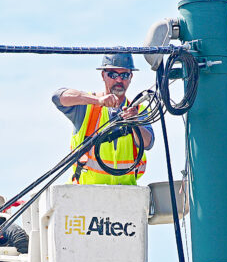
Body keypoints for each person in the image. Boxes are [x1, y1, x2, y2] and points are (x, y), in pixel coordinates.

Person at [52, 53, 154, 185]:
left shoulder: (138, 110)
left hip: (125, 193)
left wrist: (134, 122)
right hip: (85, 193)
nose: (119, 80)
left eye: (124, 75)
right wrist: (98, 100)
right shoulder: (87, 107)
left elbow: (148, 143)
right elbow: (58, 97)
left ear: (131, 77)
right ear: (103, 75)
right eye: (113, 75)